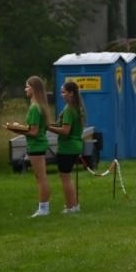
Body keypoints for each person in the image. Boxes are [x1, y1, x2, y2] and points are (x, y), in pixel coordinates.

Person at [6, 76, 52, 217]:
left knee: (41, 178)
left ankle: (44, 208)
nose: (25, 89)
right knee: (40, 177)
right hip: (38, 144)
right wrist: (19, 128)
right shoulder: (40, 106)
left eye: (27, 86)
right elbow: (33, 128)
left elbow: (33, 131)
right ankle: (44, 207)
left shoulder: (34, 108)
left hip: (36, 145)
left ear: (34, 89)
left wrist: (15, 129)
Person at [51, 80, 86, 213]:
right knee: (68, 177)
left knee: (65, 178)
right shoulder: (78, 107)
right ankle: (74, 204)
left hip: (67, 147)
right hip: (75, 145)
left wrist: (48, 127)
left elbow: (65, 131)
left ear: (71, 94)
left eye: (63, 92)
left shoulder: (68, 110)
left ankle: (71, 206)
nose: (62, 95)